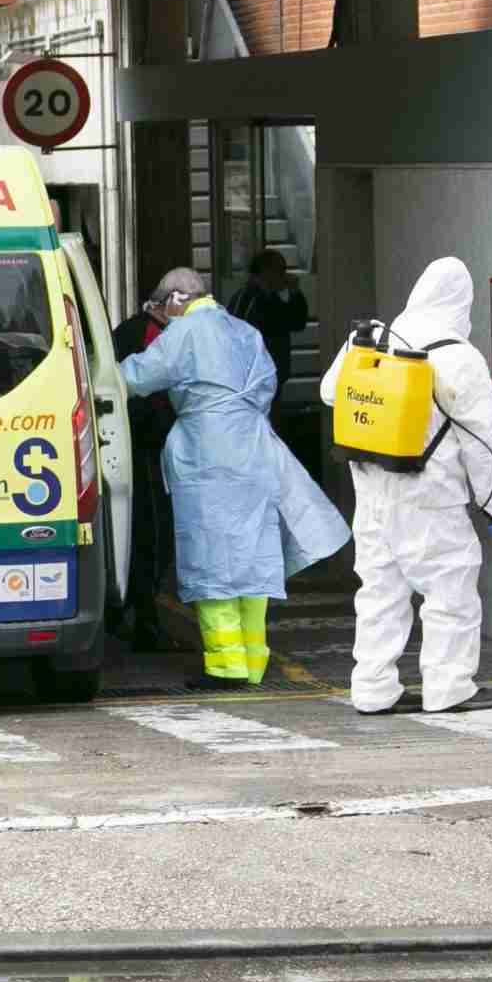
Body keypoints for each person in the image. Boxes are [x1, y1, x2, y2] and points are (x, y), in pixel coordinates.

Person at [119, 266, 350, 692]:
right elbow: (269, 384)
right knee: (253, 556)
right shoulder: (246, 332)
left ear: (175, 300)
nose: (160, 318)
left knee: (212, 559)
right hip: (254, 449)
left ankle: (225, 666)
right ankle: (254, 661)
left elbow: (135, 376)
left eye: (160, 308)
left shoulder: (185, 332)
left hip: (208, 454)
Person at [319, 257, 492, 716]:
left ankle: (372, 688)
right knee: (450, 591)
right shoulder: (458, 357)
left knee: (379, 593)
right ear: (460, 303)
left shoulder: (368, 339)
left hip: (371, 492)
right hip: (429, 498)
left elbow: (331, 391)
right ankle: (449, 687)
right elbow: (485, 444)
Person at [109, 288, 179, 652]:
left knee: (147, 534)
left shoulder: (135, 330)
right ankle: (144, 621)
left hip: (143, 445)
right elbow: (149, 389)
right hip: (146, 448)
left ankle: (131, 617)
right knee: (152, 534)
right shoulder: (147, 335)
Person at [226, 249, 312, 423]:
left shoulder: (267, 297)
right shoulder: (249, 299)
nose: (284, 276)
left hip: (269, 375)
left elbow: (296, 322)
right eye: (280, 270)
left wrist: (295, 293)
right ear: (266, 272)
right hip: (253, 378)